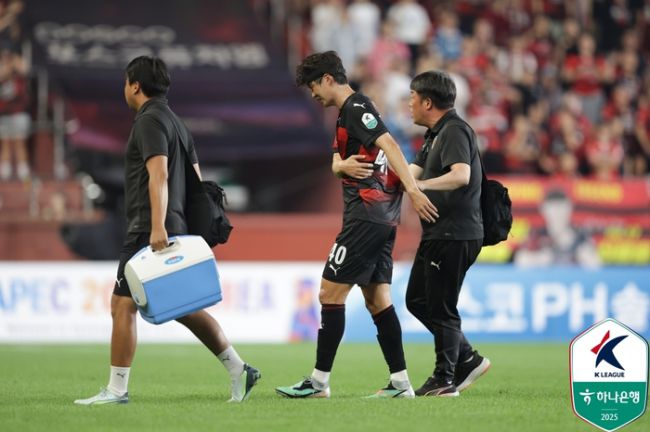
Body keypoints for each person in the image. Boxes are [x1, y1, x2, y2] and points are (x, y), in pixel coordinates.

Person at [74, 56, 260, 405]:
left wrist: (158, 226)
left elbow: (158, 173)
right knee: (182, 306)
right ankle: (239, 369)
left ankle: (117, 390)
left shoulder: (148, 120)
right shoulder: (177, 123)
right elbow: (196, 180)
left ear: (135, 85)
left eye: (125, 82)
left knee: (121, 304)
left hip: (149, 227)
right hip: (175, 224)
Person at [275, 51, 437, 399]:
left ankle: (318, 382)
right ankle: (401, 383)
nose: (312, 94)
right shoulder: (348, 113)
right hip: (382, 219)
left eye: (313, 86)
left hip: (366, 216)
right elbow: (338, 160)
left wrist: (412, 189)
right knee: (378, 300)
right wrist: (340, 166)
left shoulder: (356, 108)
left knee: (328, 293)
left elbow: (389, 144)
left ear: (327, 79)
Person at [405, 70, 490, 397]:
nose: (409, 104)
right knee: (417, 300)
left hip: (455, 233)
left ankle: (445, 378)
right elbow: (407, 174)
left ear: (427, 102)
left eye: (413, 98)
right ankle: (466, 358)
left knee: (441, 306)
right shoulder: (434, 135)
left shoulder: (454, 130)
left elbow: (460, 175)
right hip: (439, 233)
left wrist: (420, 187)